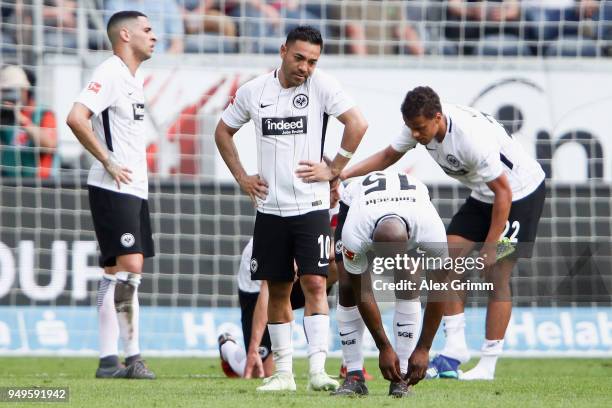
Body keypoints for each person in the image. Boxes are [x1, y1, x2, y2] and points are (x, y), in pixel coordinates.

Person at [341, 86, 546, 381]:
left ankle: (488, 363)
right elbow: (388, 155)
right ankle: (455, 348)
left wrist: (490, 245)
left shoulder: (470, 139)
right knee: (445, 265)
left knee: (496, 274)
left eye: (420, 129)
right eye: (411, 128)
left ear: (438, 118)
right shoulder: (418, 124)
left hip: (519, 194)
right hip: (483, 194)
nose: (415, 135)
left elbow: (504, 192)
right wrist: (343, 174)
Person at [214, 25, 368, 392]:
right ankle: (284, 374)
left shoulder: (322, 86)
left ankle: (317, 370)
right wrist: (242, 177)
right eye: (299, 58)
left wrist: (334, 169)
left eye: (313, 61)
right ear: (283, 51)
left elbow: (358, 124)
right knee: (278, 289)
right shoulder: (254, 91)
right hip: (269, 210)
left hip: (311, 208)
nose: (305, 67)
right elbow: (222, 131)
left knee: (316, 282)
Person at [66, 10, 157, 379]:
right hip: (113, 185)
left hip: (133, 188)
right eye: (147, 30)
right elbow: (76, 116)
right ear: (125, 35)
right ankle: (133, 357)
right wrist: (108, 160)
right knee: (131, 266)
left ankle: (108, 360)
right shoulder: (110, 72)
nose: (154, 36)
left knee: (115, 271)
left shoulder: (132, 80)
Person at [331, 170, 447, 397]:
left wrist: (424, 349)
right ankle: (354, 375)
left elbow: (440, 291)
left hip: (411, 204)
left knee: (408, 282)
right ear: (371, 241)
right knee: (347, 287)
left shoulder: (430, 228)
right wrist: (383, 347)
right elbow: (362, 289)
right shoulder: (355, 231)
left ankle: (401, 378)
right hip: (355, 202)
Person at [219, 192, 340, 379]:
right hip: (257, 289)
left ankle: (344, 365)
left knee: (340, 266)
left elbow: (347, 248)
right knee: (263, 372)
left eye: (336, 185)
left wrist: (325, 254)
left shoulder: (336, 206)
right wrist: (253, 348)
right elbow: (265, 289)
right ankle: (228, 345)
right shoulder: (293, 214)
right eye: (332, 189)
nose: (336, 194)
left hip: (301, 282)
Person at [0, 65, 57, 178]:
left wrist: (21, 119)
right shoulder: (3, 116)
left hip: (39, 184)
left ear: (25, 90)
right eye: (5, 91)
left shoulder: (43, 113)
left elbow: (49, 145)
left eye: (13, 90)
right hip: (8, 182)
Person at [104, 0, 184, 53]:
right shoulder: (114, 3)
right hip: (126, 62)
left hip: (160, 61)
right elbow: (111, 42)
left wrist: (163, 64)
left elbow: (177, 43)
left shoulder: (166, 3)